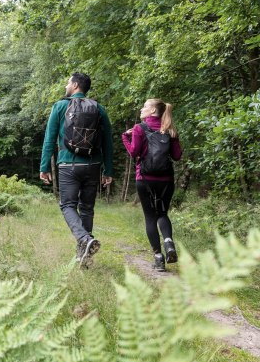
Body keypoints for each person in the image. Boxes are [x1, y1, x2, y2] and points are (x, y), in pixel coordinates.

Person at [40, 72, 114, 268]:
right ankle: (85, 256)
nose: (66, 85)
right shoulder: (99, 109)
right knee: (87, 208)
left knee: (67, 205)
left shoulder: (60, 106)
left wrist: (44, 166)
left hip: (68, 165)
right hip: (93, 165)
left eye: (67, 82)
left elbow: (49, 139)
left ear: (74, 85)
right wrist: (108, 170)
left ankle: (83, 239)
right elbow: (108, 143)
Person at [122, 98, 183, 271]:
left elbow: (134, 152)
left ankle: (158, 258)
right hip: (166, 180)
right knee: (162, 213)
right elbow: (177, 156)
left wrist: (125, 137)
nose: (142, 109)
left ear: (153, 111)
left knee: (150, 217)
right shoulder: (170, 130)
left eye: (145, 106)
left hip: (145, 179)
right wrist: (174, 138)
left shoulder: (139, 128)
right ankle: (169, 243)